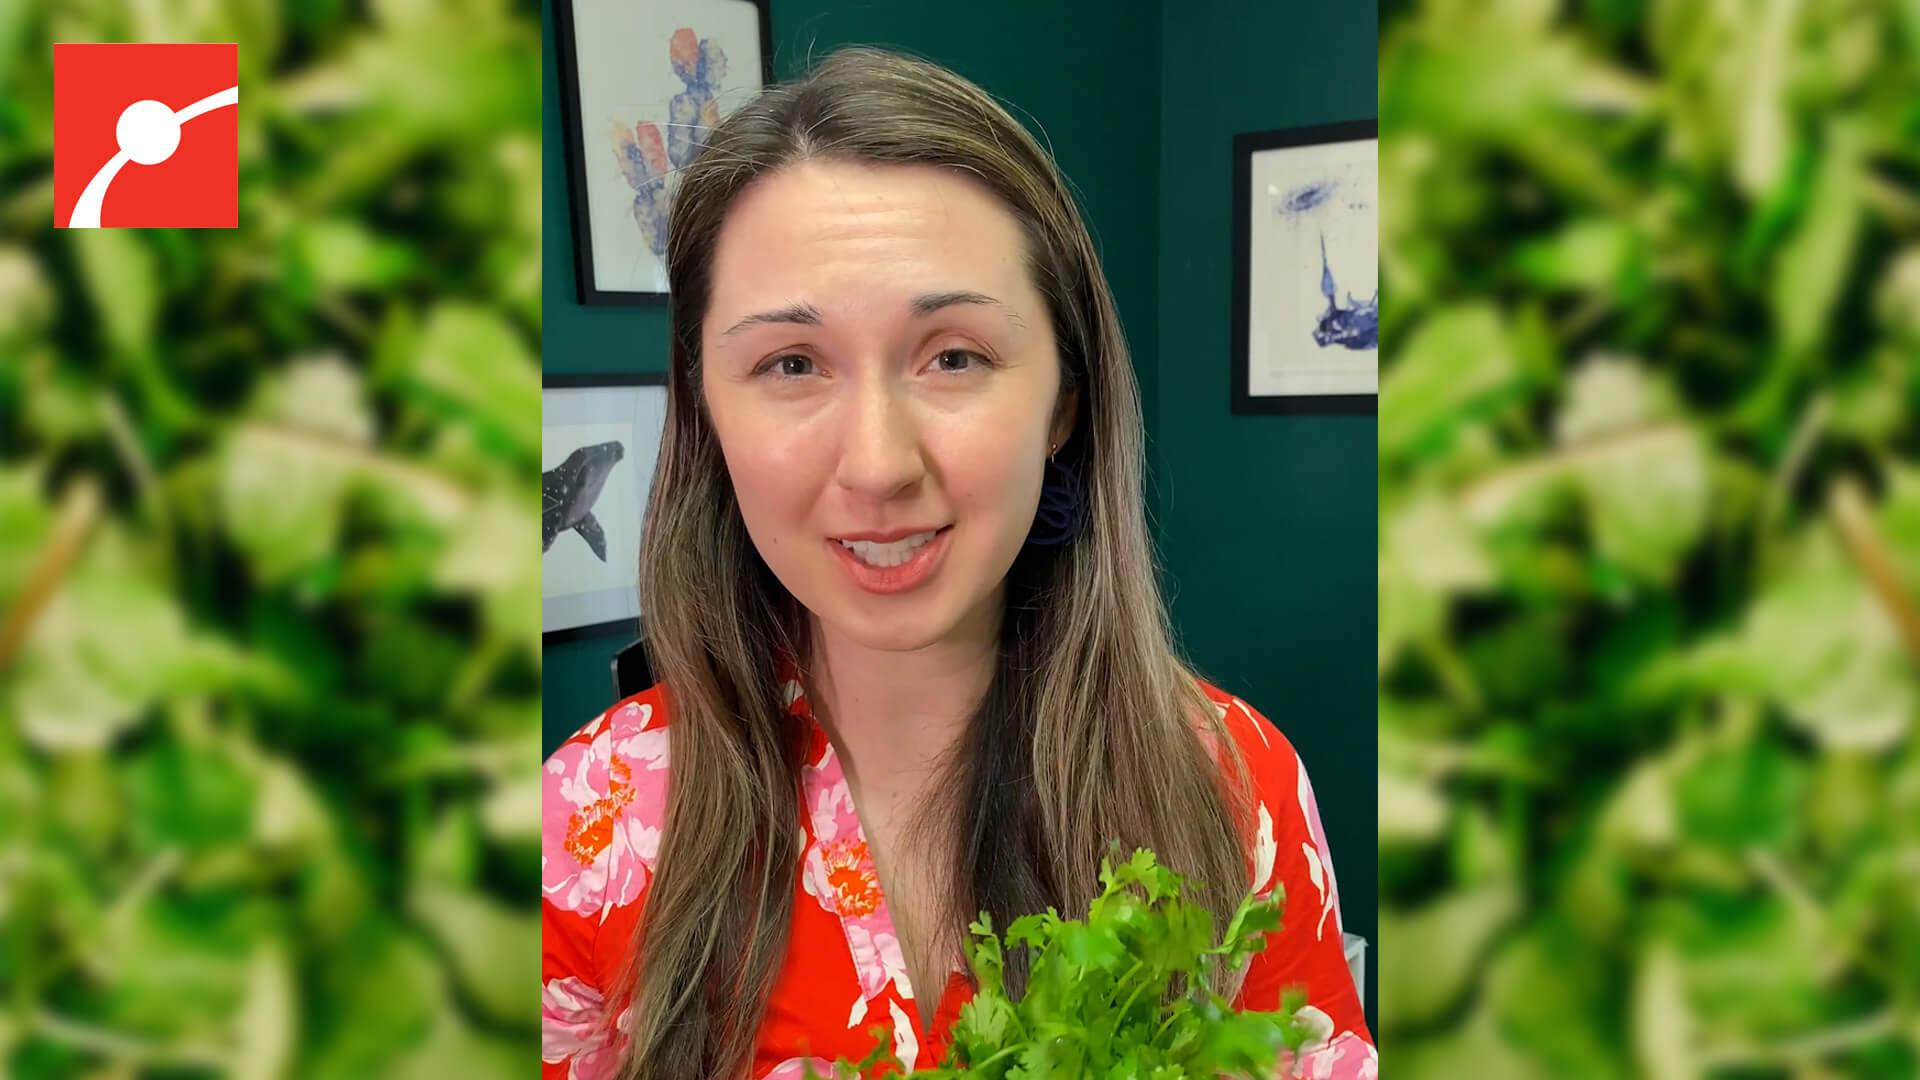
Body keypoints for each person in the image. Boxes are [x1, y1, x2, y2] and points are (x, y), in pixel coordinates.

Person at [541, 46, 1374, 1080]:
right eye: (791, 365)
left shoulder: (1232, 782)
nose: (880, 465)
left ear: (1064, 402)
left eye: (954, 356)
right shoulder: (584, 823)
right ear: (706, 410)